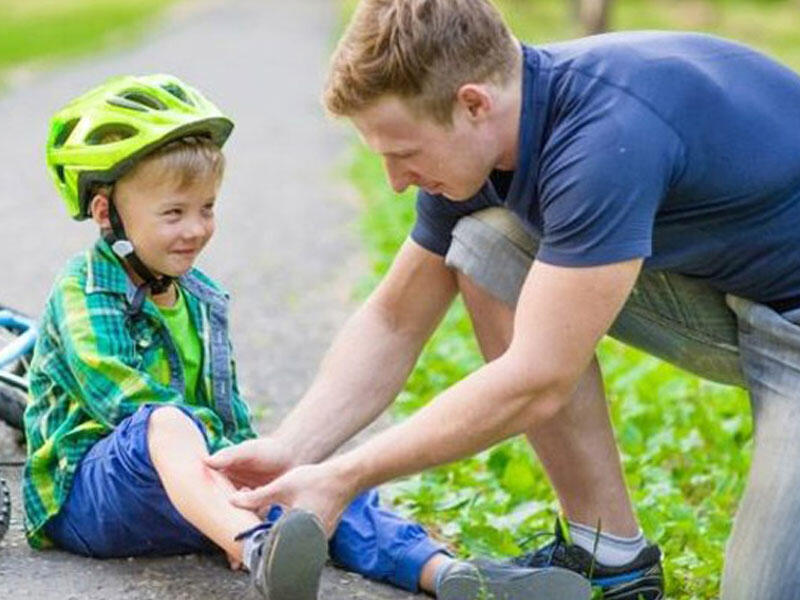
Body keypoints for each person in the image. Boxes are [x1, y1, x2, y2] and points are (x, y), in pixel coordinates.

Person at [204, 1, 800, 599]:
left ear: (473, 104)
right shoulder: (490, 139)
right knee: (487, 242)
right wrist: (292, 450)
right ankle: (610, 555)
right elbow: (394, 319)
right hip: (739, 296)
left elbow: (538, 378)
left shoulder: (603, 137)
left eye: (404, 154)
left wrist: (347, 474)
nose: (395, 181)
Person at [24, 73, 585, 600]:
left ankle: (447, 573)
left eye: (207, 209)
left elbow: (225, 408)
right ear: (105, 212)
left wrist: (265, 476)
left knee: (311, 479)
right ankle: (256, 548)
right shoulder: (84, 290)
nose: (195, 229)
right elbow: (124, 400)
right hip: (89, 498)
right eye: (173, 213)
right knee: (166, 421)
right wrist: (230, 475)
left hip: (195, 495)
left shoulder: (199, 295)